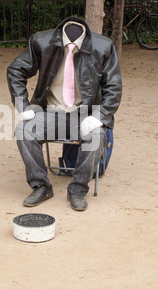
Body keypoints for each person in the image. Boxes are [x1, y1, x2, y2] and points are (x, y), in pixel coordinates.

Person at [7, 16, 122, 211]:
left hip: (85, 114)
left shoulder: (103, 46)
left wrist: (99, 116)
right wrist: (23, 106)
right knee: (24, 131)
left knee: (96, 136)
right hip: (50, 111)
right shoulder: (41, 42)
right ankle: (41, 186)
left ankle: (78, 189)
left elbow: (114, 86)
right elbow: (15, 70)